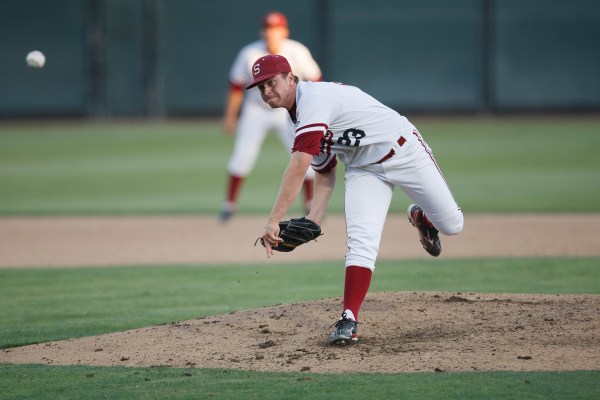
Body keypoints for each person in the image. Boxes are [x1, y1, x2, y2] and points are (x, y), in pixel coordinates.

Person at [251, 54, 464, 344]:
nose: (266, 92)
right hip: (364, 170)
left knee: (452, 224)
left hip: (403, 151)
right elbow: (324, 171)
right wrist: (315, 218)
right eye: (261, 87)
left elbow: (299, 166)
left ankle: (422, 217)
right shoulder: (294, 122)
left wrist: (274, 219)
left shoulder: (315, 99)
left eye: (271, 83)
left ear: (290, 78)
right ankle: (348, 318)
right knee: (362, 243)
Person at [220, 11, 322, 222]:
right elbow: (236, 86)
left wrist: (317, 112)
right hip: (257, 110)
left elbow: (316, 81)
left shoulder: (297, 51)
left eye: (275, 28)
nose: (271, 33)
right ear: (262, 31)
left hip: (290, 109)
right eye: (267, 28)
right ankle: (229, 204)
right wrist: (230, 115)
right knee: (242, 156)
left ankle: (311, 204)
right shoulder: (249, 53)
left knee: (304, 155)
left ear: (284, 31)